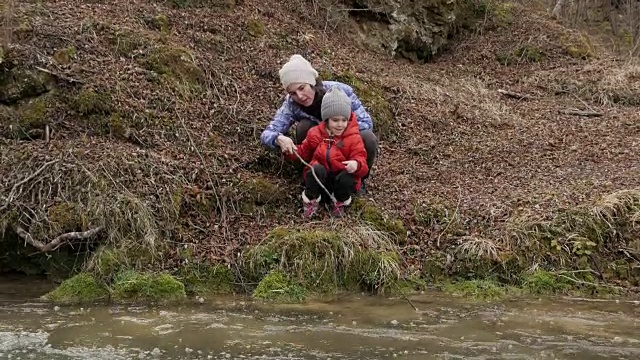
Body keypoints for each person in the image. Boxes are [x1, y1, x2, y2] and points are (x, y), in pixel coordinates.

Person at [260, 54, 378, 193]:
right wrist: (278, 138)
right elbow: (268, 133)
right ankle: (311, 177)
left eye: (302, 88)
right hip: (318, 151)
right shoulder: (291, 104)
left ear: (312, 82)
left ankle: (358, 181)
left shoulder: (339, 91)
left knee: (368, 138)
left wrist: (336, 134)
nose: (300, 96)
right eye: (292, 93)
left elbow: (365, 122)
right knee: (304, 126)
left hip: (346, 147)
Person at [284, 86, 369, 217]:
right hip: (321, 179)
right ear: (326, 119)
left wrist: (356, 165)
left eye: (344, 120)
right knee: (315, 169)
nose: (340, 124)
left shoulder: (353, 138)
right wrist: (290, 151)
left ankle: (339, 202)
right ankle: (311, 200)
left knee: (348, 177)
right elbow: (303, 152)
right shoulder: (315, 133)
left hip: (339, 181)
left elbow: (362, 161)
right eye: (335, 120)